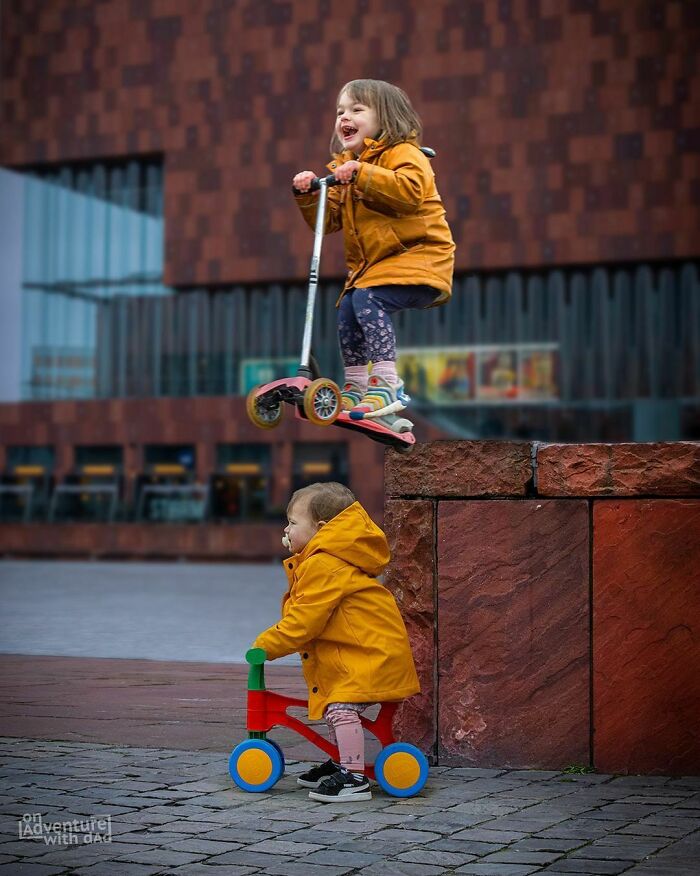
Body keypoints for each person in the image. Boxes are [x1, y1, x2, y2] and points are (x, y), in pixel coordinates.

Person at [292, 79, 455, 433]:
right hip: (375, 268)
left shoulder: (404, 153)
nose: (344, 117)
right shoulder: (345, 166)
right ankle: (357, 386)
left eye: (356, 109)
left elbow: (410, 193)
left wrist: (364, 173)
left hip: (419, 256)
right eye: (340, 112)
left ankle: (386, 381)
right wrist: (307, 194)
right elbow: (329, 222)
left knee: (365, 298)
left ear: (386, 117)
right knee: (349, 305)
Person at [251, 482, 420, 802]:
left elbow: (305, 620)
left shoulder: (324, 563)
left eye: (292, 523)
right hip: (364, 653)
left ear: (322, 529)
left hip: (371, 657)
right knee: (334, 706)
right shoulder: (325, 559)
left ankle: (354, 777)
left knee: (341, 707)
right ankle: (344, 761)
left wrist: (266, 644)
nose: (286, 529)